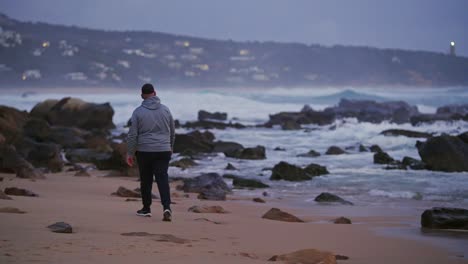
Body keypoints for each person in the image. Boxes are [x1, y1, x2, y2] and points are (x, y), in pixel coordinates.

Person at [126, 83, 175, 221]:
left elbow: (132, 135)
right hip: (163, 150)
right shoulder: (166, 110)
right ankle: (167, 207)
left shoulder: (138, 112)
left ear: (142, 96)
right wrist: (170, 146)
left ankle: (146, 209)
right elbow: (172, 132)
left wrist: (130, 152)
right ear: (155, 93)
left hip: (144, 151)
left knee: (146, 180)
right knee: (162, 179)